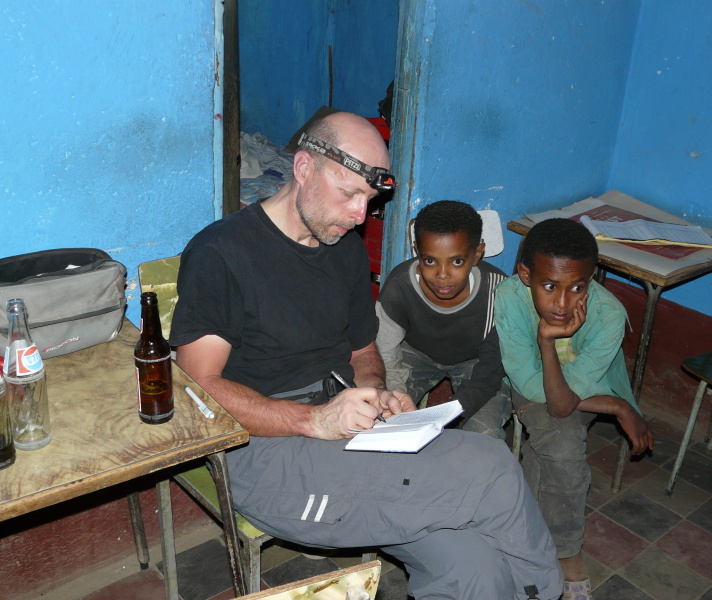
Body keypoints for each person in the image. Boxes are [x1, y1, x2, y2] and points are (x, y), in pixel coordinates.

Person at [170, 110, 563, 600]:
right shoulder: (222, 253)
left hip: (350, 434)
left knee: (472, 567)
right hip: (269, 454)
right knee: (492, 468)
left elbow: (362, 348)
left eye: (369, 200)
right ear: (304, 168)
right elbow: (197, 388)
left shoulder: (343, 247)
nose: (361, 215)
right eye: (349, 194)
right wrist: (313, 420)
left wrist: (376, 393)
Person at [494, 218, 654, 600]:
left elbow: (565, 402)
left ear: (591, 278)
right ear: (526, 275)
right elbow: (534, 388)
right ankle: (567, 551)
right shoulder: (510, 297)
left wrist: (611, 397)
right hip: (529, 385)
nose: (563, 303)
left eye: (577, 287)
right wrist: (616, 406)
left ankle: (534, 541)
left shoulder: (609, 314)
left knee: (556, 442)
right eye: (550, 286)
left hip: (582, 390)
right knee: (562, 446)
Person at [375, 200, 511, 440]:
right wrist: (395, 400)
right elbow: (386, 354)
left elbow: (491, 371)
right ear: (417, 251)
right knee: (382, 416)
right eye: (430, 261)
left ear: (477, 254)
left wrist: (451, 411)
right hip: (415, 354)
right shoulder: (399, 286)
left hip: (477, 363)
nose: (442, 275)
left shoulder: (499, 291)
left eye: (457, 261)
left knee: (484, 435)